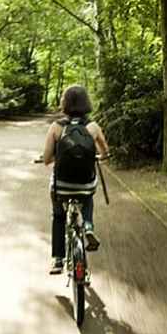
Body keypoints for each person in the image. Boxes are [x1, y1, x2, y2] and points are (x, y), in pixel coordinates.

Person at [42, 85, 109, 275]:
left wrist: (58, 156)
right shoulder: (93, 127)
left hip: (61, 186)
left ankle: (58, 259)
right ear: (86, 103)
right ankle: (88, 225)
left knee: (58, 215)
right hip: (85, 184)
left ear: (64, 103)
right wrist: (101, 156)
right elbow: (104, 152)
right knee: (88, 195)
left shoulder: (56, 127)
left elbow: (47, 159)